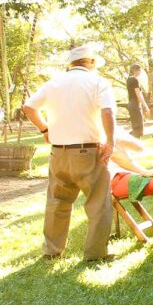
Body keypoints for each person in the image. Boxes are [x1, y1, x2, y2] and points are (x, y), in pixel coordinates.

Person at [21, 45, 117, 261]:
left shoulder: (53, 83)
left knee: (57, 203)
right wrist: (110, 142)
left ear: (71, 63)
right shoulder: (98, 82)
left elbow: (28, 107)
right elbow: (108, 111)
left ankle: (52, 251)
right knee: (98, 203)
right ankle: (95, 254)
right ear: (90, 63)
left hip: (59, 153)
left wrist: (45, 129)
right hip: (88, 151)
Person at [125, 64, 151, 138]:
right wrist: (145, 106)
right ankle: (128, 141)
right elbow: (138, 94)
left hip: (131, 103)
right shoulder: (134, 80)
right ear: (135, 70)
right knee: (139, 129)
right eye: (139, 70)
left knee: (137, 128)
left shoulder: (129, 79)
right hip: (134, 103)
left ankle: (131, 143)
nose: (140, 72)